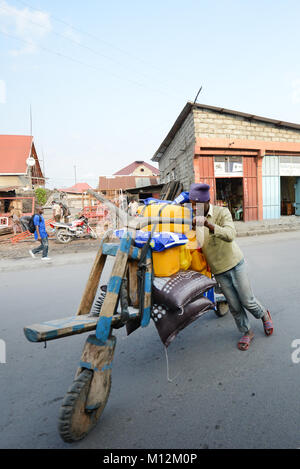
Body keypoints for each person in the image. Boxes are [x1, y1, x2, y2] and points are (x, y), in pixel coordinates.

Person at [189, 182, 273, 351]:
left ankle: (264, 315)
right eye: (192, 204)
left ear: (207, 202)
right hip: (218, 269)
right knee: (234, 305)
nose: (194, 207)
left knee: (247, 300)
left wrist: (209, 225)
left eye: (196, 204)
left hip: (235, 263)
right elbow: (195, 244)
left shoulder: (222, 212)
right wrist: (191, 230)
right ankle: (247, 332)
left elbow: (230, 235)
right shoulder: (193, 218)